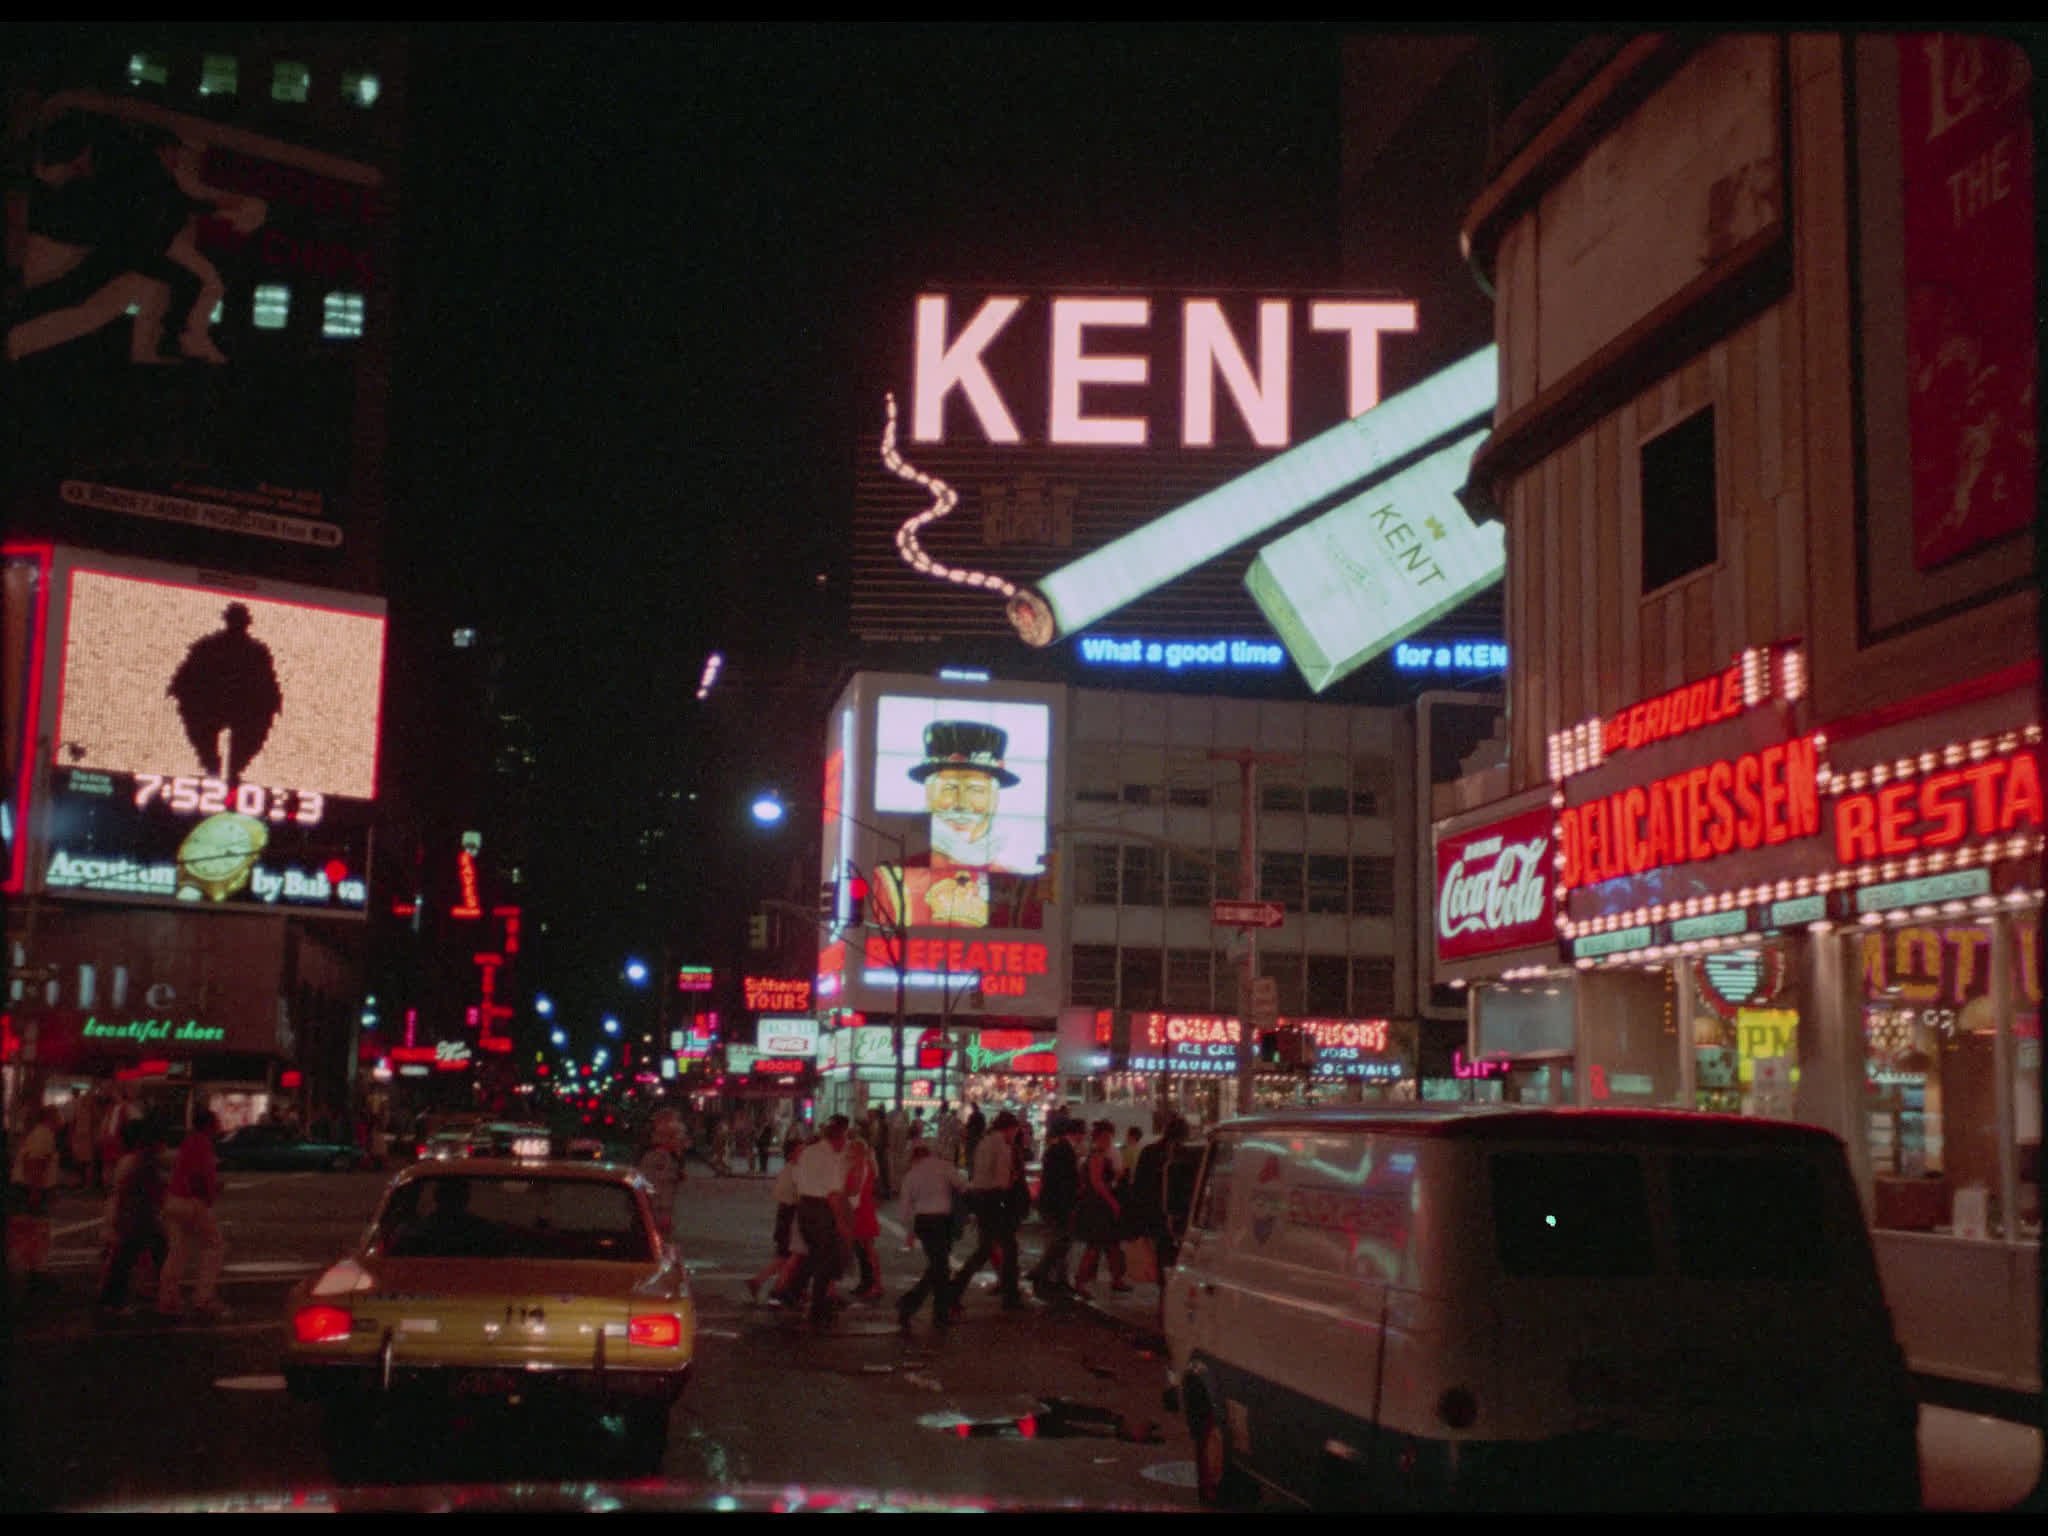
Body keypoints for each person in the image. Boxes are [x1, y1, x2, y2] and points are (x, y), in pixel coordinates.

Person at [868, 720, 1045, 930]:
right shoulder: (892, 880)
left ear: (994, 799)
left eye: (976, 790)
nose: (961, 804)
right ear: (929, 795)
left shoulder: (1021, 888)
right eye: (949, 788)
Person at [775, 1115, 852, 1327]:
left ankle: (792, 1291)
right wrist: (841, 1222)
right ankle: (818, 1306)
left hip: (804, 1207)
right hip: (821, 1209)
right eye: (844, 1139)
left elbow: (798, 1179)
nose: (845, 1144)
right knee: (826, 1258)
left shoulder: (808, 1152)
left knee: (812, 1255)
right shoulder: (830, 1159)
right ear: (838, 1139)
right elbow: (834, 1194)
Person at [950, 1110, 1025, 1313]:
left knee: (986, 1248)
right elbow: (1002, 1181)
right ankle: (1010, 1297)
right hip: (995, 1199)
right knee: (1007, 1247)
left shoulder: (985, 1142)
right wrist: (1013, 1181)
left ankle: (955, 1290)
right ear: (1010, 1129)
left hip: (980, 1197)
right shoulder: (1002, 1146)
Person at [159, 1109, 227, 1319]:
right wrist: (212, 1193)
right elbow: (203, 1175)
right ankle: (203, 1298)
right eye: (216, 1122)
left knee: (177, 1251)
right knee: (214, 1245)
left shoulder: (188, 1142)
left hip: (173, 1200)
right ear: (209, 1125)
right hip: (192, 1202)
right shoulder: (203, 1144)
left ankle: (168, 1300)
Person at [97, 1119, 168, 1317]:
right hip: (135, 1217)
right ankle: (114, 1300)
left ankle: (150, 1292)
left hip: (136, 1217)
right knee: (126, 1259)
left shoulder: (132, 1160)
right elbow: (130, 1191)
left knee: (132, 1258)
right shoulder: (138, 1161)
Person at [895, 1137, 965, 1334]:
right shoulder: (943, 1166)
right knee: (939, 1267)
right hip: (942, 1221)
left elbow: (904, 1210)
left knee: (938, 1266)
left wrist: (909, 1232)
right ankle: (927, 1308)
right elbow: (962, 1185)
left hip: (923, 1222)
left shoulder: (911, 1175)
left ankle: (928, 1309)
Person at [1127, 1117, 1189, 1293]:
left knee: (1161, 1253)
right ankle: (1169, 1288)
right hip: (1175, 1211)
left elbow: (1138, 1185)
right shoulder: (1184, 1154)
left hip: (1154, 1211)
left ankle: (1164, 1288)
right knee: (1171, 1253)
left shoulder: (1149, 1151)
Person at [1074, 1120, 1130, 1295]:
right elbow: (1098, 1183)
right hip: (1099, 1206)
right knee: (1096, 1245)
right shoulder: (1097, 1156)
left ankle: (1116, 1279)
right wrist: (1113, 1203)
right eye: (1106, 1138)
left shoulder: (1094, 1155)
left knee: (1110, 1244)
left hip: (1096, 1203)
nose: (1108, 1141)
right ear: (1098, 1138)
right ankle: (1080, 1282)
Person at [1029, 1117, 1084, 1298]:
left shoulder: (1058, 1149)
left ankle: (1057, 1278)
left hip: (1052, 1202)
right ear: (1076, 1133)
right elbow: (1064, 1182)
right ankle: (1042, 1273)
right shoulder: (1064, 1151)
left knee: (1059, 1241)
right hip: (1058, 1203)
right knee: (1061, 1242)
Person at [749, 1134, 807, 1302]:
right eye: (800, 1151)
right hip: (790, 1215)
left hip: (785, 1214)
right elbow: (800, 1193)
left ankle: (765, 1283)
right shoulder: (794, 1171)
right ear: (791, 1154)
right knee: (791, 1255)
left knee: (784, 1256)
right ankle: (779, 1288)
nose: (803, 1154)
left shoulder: (789, 1169)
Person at [843, 1132, 884, 1301]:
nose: (848, 1152)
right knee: (863, 1250)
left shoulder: (861, 1166)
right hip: (863, 1209)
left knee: (866, 1250)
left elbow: (855, 1191)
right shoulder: (866, 1164)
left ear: (857, 1151)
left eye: (851, 1149)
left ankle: (875, 1284)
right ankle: (868, 1283)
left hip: (860, 1210)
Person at [637, 1111, 686, 1241]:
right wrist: (663, 1213)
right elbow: (659, 1187)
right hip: (654, 1212)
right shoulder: (660, 1159)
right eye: (678, 1139)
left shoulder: (666, 1158)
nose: (681, 1143)